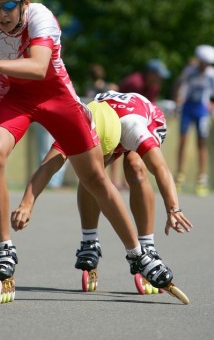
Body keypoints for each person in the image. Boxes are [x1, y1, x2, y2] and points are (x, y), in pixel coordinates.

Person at [0, 0, 175, 290]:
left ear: (25, 2)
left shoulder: (41, 17)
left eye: (10, 5)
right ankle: (3, 249)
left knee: (95, 179)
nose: (2, 14)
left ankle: (139, 254)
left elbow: (38, 66)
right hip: (13, 94)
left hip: (55, 94)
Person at [11, 91, 193, 280]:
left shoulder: (134, 129)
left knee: (135, 168)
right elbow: (47, 166)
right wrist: (26, 204)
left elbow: (161, 169)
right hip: (103, 117)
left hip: (143, 116)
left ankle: (147, 246)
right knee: (89, 173)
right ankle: (89, 242)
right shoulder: (77, 126)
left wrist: (173, 209)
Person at [111, 58, 171, 189]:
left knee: (132, 149)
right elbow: (121, 102)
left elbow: (149, 106)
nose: (160, 79)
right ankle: (114, 180)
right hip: (119, 114)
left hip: (137, 116)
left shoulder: (154, 86)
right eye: (158, 75)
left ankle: (126, 180)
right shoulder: (134, 83)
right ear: (150, 73)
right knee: (115, 148)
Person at [174, 45, 214, 196]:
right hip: (188, 108)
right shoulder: (190, 71)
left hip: (201, 110)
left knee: (201, 143)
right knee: (183, 140)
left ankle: (201, 178)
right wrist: (178, 101)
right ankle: (179, 175)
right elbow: (180, 87)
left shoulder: (211, 74)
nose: (206, 67)